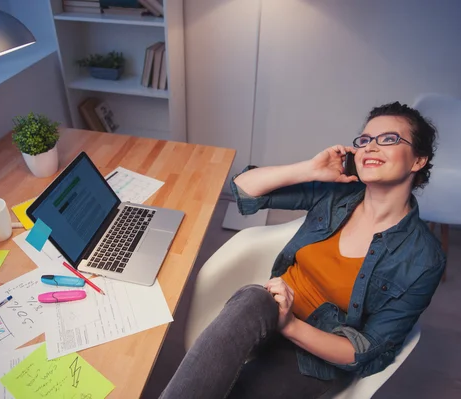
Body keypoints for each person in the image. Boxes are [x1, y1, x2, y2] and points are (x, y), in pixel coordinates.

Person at [160, 102, 446, 399]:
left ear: (418, 160)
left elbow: (365, 351)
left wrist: (290, 325)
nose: (371, 147)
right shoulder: (338, 194)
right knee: (254, 298)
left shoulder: (424, 258)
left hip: (315, 357)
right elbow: (244, 189)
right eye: (365, 140)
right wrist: (309, 169)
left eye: (388, 139)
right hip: (268, 310)